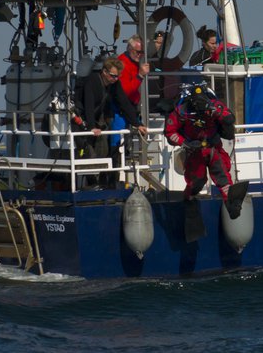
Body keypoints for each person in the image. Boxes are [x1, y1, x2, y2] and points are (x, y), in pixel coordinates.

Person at [164, 85, 244, 218]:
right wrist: (185, 142)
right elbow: (169, 131)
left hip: (213, 148)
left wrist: (215, 112)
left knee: (223, 177)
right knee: (196, 181)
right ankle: (189, 200)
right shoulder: (182, 112)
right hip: (194, 151)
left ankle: (231, 205)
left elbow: (229, 118)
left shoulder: (214, 107)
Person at [75, 58, 147, 187]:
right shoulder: (92, 81)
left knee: (104, 150)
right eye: (113, 76)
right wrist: (91, 127)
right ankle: (90, 184)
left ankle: (104, 184)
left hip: (96, 121)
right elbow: (88, 105)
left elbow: (124, 102)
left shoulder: (114, 84)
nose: (115, 79)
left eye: (118, 76)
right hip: (82, 121)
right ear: (104, 72)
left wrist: (137, 124)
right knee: (89, 152)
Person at [118, 34, 151, 106]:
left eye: (142, 52)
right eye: (138, 52)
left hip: (133, 104)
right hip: (124, 106)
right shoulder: (122, 64)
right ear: (129, 49)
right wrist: (140, 75)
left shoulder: (135, 61)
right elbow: (126, 92)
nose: (139, 55)